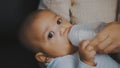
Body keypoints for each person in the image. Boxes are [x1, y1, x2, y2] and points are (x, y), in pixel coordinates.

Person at [19, 9, 119, 68]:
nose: (62, 29)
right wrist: (86, 62)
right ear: (44, 57)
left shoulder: (79, 40)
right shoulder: (60, 64)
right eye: (50, 35)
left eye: (59, 21)